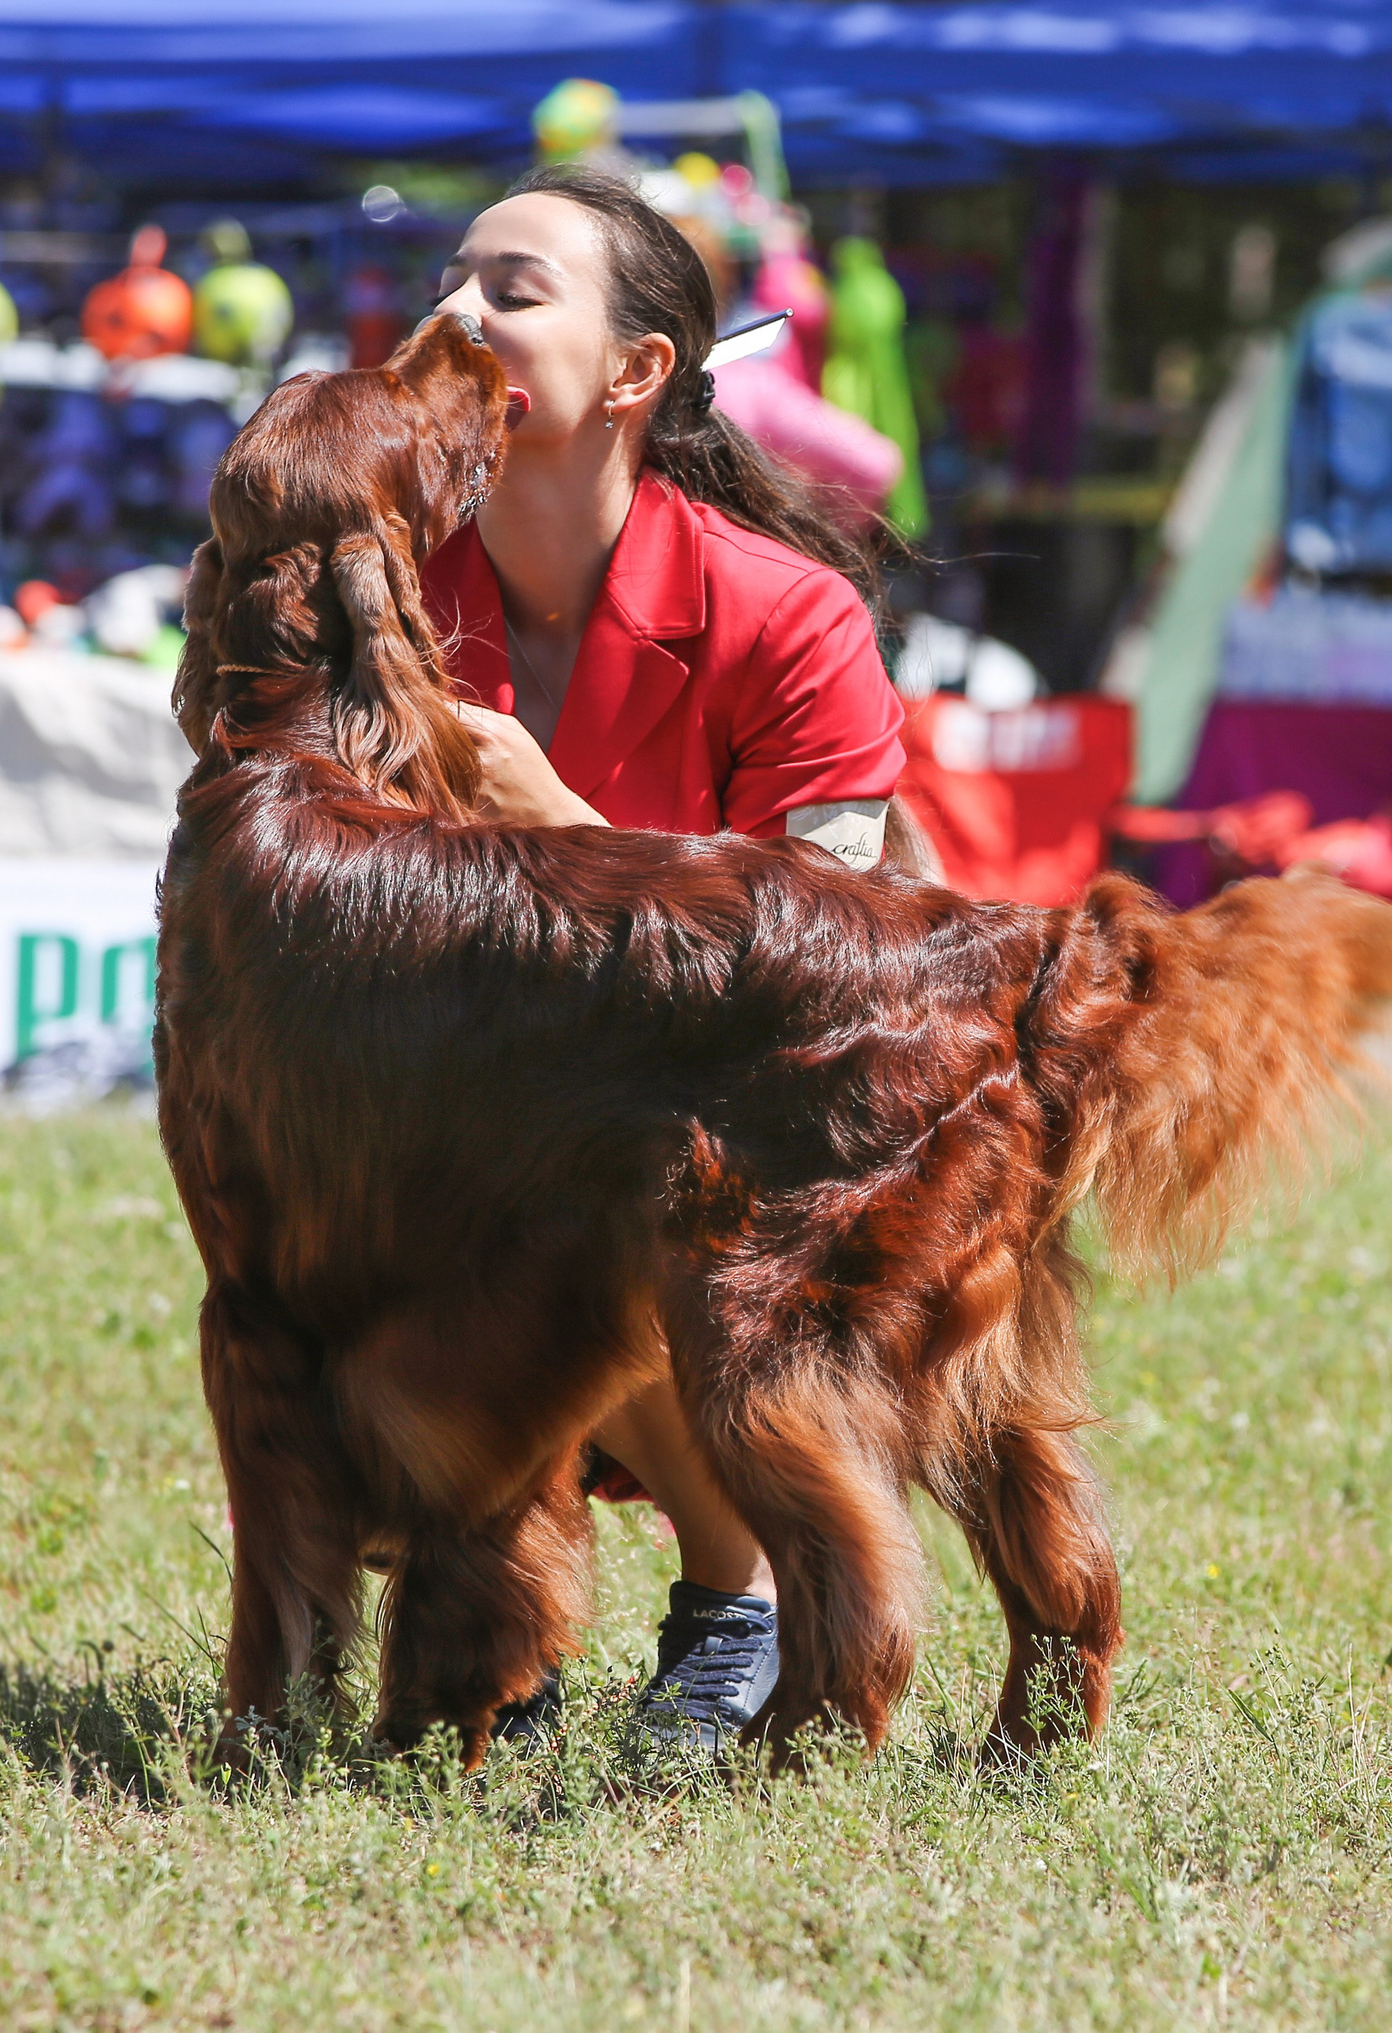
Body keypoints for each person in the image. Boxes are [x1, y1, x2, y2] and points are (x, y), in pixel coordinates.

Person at [428, 165, 908, 1754]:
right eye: (449, 279)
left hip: (772, 1107)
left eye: (510, 289)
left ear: (638, 373)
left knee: (591, 1161)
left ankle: (740, 1596)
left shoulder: (795, 617)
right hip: (488, 1089)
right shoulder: (386, 597)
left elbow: (821, 963)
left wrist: (556, 821)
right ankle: (499, 1596)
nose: (455, 316)